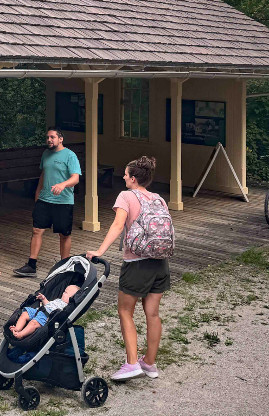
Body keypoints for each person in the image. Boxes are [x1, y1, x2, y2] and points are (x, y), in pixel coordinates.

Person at [86, 156, 169, 382]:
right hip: (160, 263)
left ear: (133, 179)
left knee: (125, 311)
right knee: (152, 313)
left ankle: (132, 363)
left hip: (137, 263)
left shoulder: (126, 196)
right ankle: (149, 363)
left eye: (125, 174)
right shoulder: (158, 199)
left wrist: (100, 251)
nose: (122, 177)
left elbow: (117, 225)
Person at [14, 128, 81, 277]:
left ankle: (64, 266)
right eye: (47, 137)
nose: (49, 140)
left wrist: (63, 185)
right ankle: (31, 265)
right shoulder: (45, 154)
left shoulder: (70, 155)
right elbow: (44, 174)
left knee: (64, 234)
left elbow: (75, 178)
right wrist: (37, 193)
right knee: (37, 230)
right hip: (44, 200)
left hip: (63, 202)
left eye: (52, 137)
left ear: (60, 139)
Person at [10, 284, 80, 338]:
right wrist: (43, 299)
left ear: (71, 298)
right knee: (25, 313)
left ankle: (21, 334)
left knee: (33, 323)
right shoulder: (59, 300)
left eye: (65, 292)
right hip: (39, 310)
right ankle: (17, 328)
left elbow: (57, 315)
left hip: (46, 316)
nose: (63, 293)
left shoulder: (65, 307)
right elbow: (49, 304)